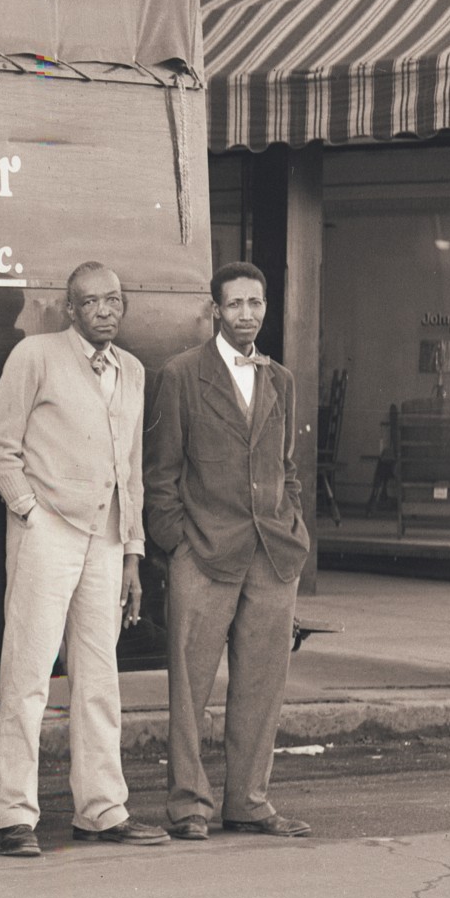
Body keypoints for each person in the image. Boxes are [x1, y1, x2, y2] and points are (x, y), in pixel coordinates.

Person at [0, 260, 161, 856]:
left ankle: (102, 809)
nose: (105, 311)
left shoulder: (131, 370)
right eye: (92, 302)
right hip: (47, 532)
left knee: (99, 679)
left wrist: (132, 553)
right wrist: (29, 511)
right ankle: (13, 816)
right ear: (70, 309)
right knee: (28, 676)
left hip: (106, 539)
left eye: (114, 300)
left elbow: (128, 469)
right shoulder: (36, 356)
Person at [145, 261, 315, 840]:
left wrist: (293, 525)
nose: (247, 314)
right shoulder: (183, 374)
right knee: (189, 688)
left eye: (256, 303)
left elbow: (287, 468)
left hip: (272, 554)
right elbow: (161, 473)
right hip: (204, 552)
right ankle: (189, 806)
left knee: (263, 686)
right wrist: (177, 546)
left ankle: (248, 801)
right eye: (235, 304)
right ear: (215, 310)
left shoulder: (281, 379)